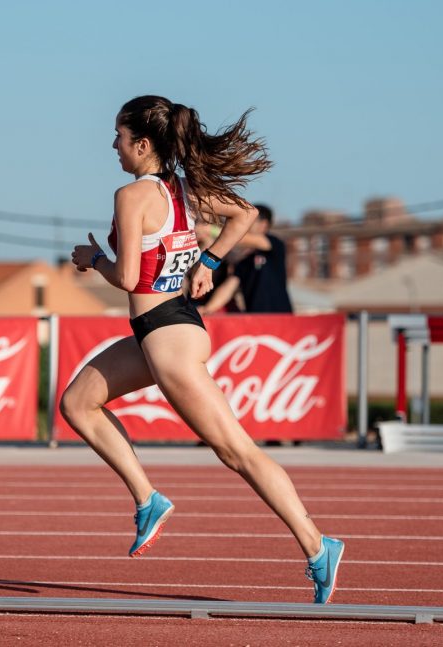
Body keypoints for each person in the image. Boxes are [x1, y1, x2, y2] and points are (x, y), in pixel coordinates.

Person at [64, 95, 344, 604]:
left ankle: (317, 544)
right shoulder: (186, 191)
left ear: (143, 144)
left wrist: (93, 259)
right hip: (168, 329)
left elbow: (127, 276)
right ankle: (148, 499)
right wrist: (210, 262)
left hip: (167, 337)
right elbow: (246, 214)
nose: (113, 146)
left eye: (119, 138)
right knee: (77, 402)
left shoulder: (132, 197)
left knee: (236, 451)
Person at [230, 204, 294, 313]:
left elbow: (243, 239)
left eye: (250, 220)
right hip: (254, 318)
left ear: (263, 224)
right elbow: (230, 285)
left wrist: (213, 231)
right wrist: (208, 309)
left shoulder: (274, 244)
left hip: (280, 316)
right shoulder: (243, 260)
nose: (245, 224)